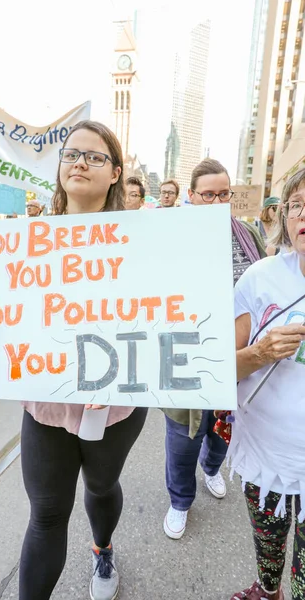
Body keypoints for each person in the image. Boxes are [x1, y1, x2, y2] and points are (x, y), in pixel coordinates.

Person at [0, 121, 148, 600]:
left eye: (95, 157)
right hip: (47, 403)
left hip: (114, 404)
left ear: (117, 172)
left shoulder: (144, 239)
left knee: (101, 487)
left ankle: (102, 550)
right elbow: (7, 313)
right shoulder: (28, 239)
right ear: (59, 169)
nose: (79, 162)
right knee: (47, 514)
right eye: (71, 154)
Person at [162, 158, 266, 540]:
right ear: (192, 196)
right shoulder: (169, 237)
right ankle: (179, 500)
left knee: (223, 431)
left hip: (238, 361)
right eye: (208, 194)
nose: (217, 201)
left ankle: (211, 469)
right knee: (183, 436)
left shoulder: (248, 235)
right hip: (185, 357)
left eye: (224, 194)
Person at [228, 168, 305, 600]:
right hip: (265, 451)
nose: (302, 215)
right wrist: (261, 352)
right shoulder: (259, 277)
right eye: (297, 205)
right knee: (269, 549)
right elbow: (220, 368)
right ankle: (267, 590)